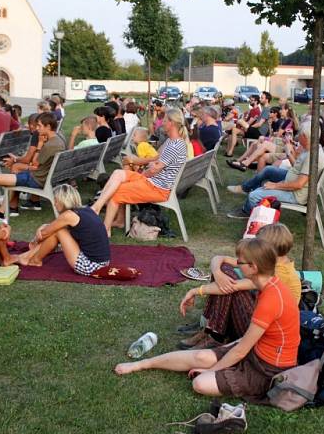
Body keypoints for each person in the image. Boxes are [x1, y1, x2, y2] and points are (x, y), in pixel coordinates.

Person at [114, 238, 299, 402]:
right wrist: (196, 291)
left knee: (200, 383)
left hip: (268, 369)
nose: (236, 265)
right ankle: (142, 364)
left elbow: (241, 350)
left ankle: (220, 368)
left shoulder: (271, 299)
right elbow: (229, 287)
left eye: (240, 262)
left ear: (253, 268)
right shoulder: (267, 281)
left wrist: (213, 371)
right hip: (256, 350)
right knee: (201, 356)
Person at [178, 224, 302, 350]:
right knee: (224, 271)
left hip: (262, 332)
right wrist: (217, 272)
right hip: (259, 318)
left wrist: (195, 291)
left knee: (232, 289)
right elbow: (220, 258)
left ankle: (215, 336)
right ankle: (209, 329)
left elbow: (233, 286)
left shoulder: (279, 272)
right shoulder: (272, 262)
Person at [91, 107, 188, 235]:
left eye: (164, 120)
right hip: (154, 182)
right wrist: (141, 165)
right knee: (118, 173)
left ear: (171, 123)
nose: (162, 123)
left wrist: (140, 174)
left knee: (116, 191)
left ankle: (105, 229)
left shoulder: (174, 145)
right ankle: (98, 207)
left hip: (157, 188)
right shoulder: (173, 141)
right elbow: (156, 160)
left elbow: (154, 170)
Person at [225, 122, 321, 218]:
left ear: (304, 136)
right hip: (293, 180)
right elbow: (297, 167)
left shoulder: (311, 157)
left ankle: (247, 211)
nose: (297, 137)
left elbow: (298, 184)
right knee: (268, 170)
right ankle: (246, 188)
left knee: (254, 195)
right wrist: (289, 152)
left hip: (295, 194)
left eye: (299, 134)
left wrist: (275, 185)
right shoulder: (311, 149)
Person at [17, 184, 111, 274]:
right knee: (58, 230)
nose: (54, 204)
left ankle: (35, 260)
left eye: (56, 200)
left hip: (92, 266)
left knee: (59, 231)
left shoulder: (68, 215)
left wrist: (35, 240)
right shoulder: (85, 210)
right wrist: (44, 226)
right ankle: (27, 257)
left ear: (63, 200)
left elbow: (44, 234)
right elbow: (52, 227)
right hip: (103, 262)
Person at [0, 113, 64, 218]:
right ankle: (4, 211)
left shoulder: (49, 145)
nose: (37, 129)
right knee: (16, 170)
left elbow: (34, 163)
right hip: (46, 176)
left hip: (37, 179)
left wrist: (40, 145)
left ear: (48, 127)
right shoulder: (59, 139)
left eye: (39, 126)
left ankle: (10, 208)